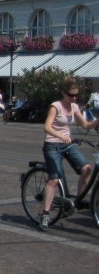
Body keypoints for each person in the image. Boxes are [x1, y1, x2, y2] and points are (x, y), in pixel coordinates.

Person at [39, 79, 99, 231]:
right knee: (54, 180)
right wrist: (60, 135)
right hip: (52, 145)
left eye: (76, 95)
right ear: (63, 93)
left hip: (68, 144)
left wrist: (97, 121)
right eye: (70, 95)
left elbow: (85, 125)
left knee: (86, 168)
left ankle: (77, 201)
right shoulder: (55, 106)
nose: (73, 98)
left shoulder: (74, 107)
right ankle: (45, 215)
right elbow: (46, 127)